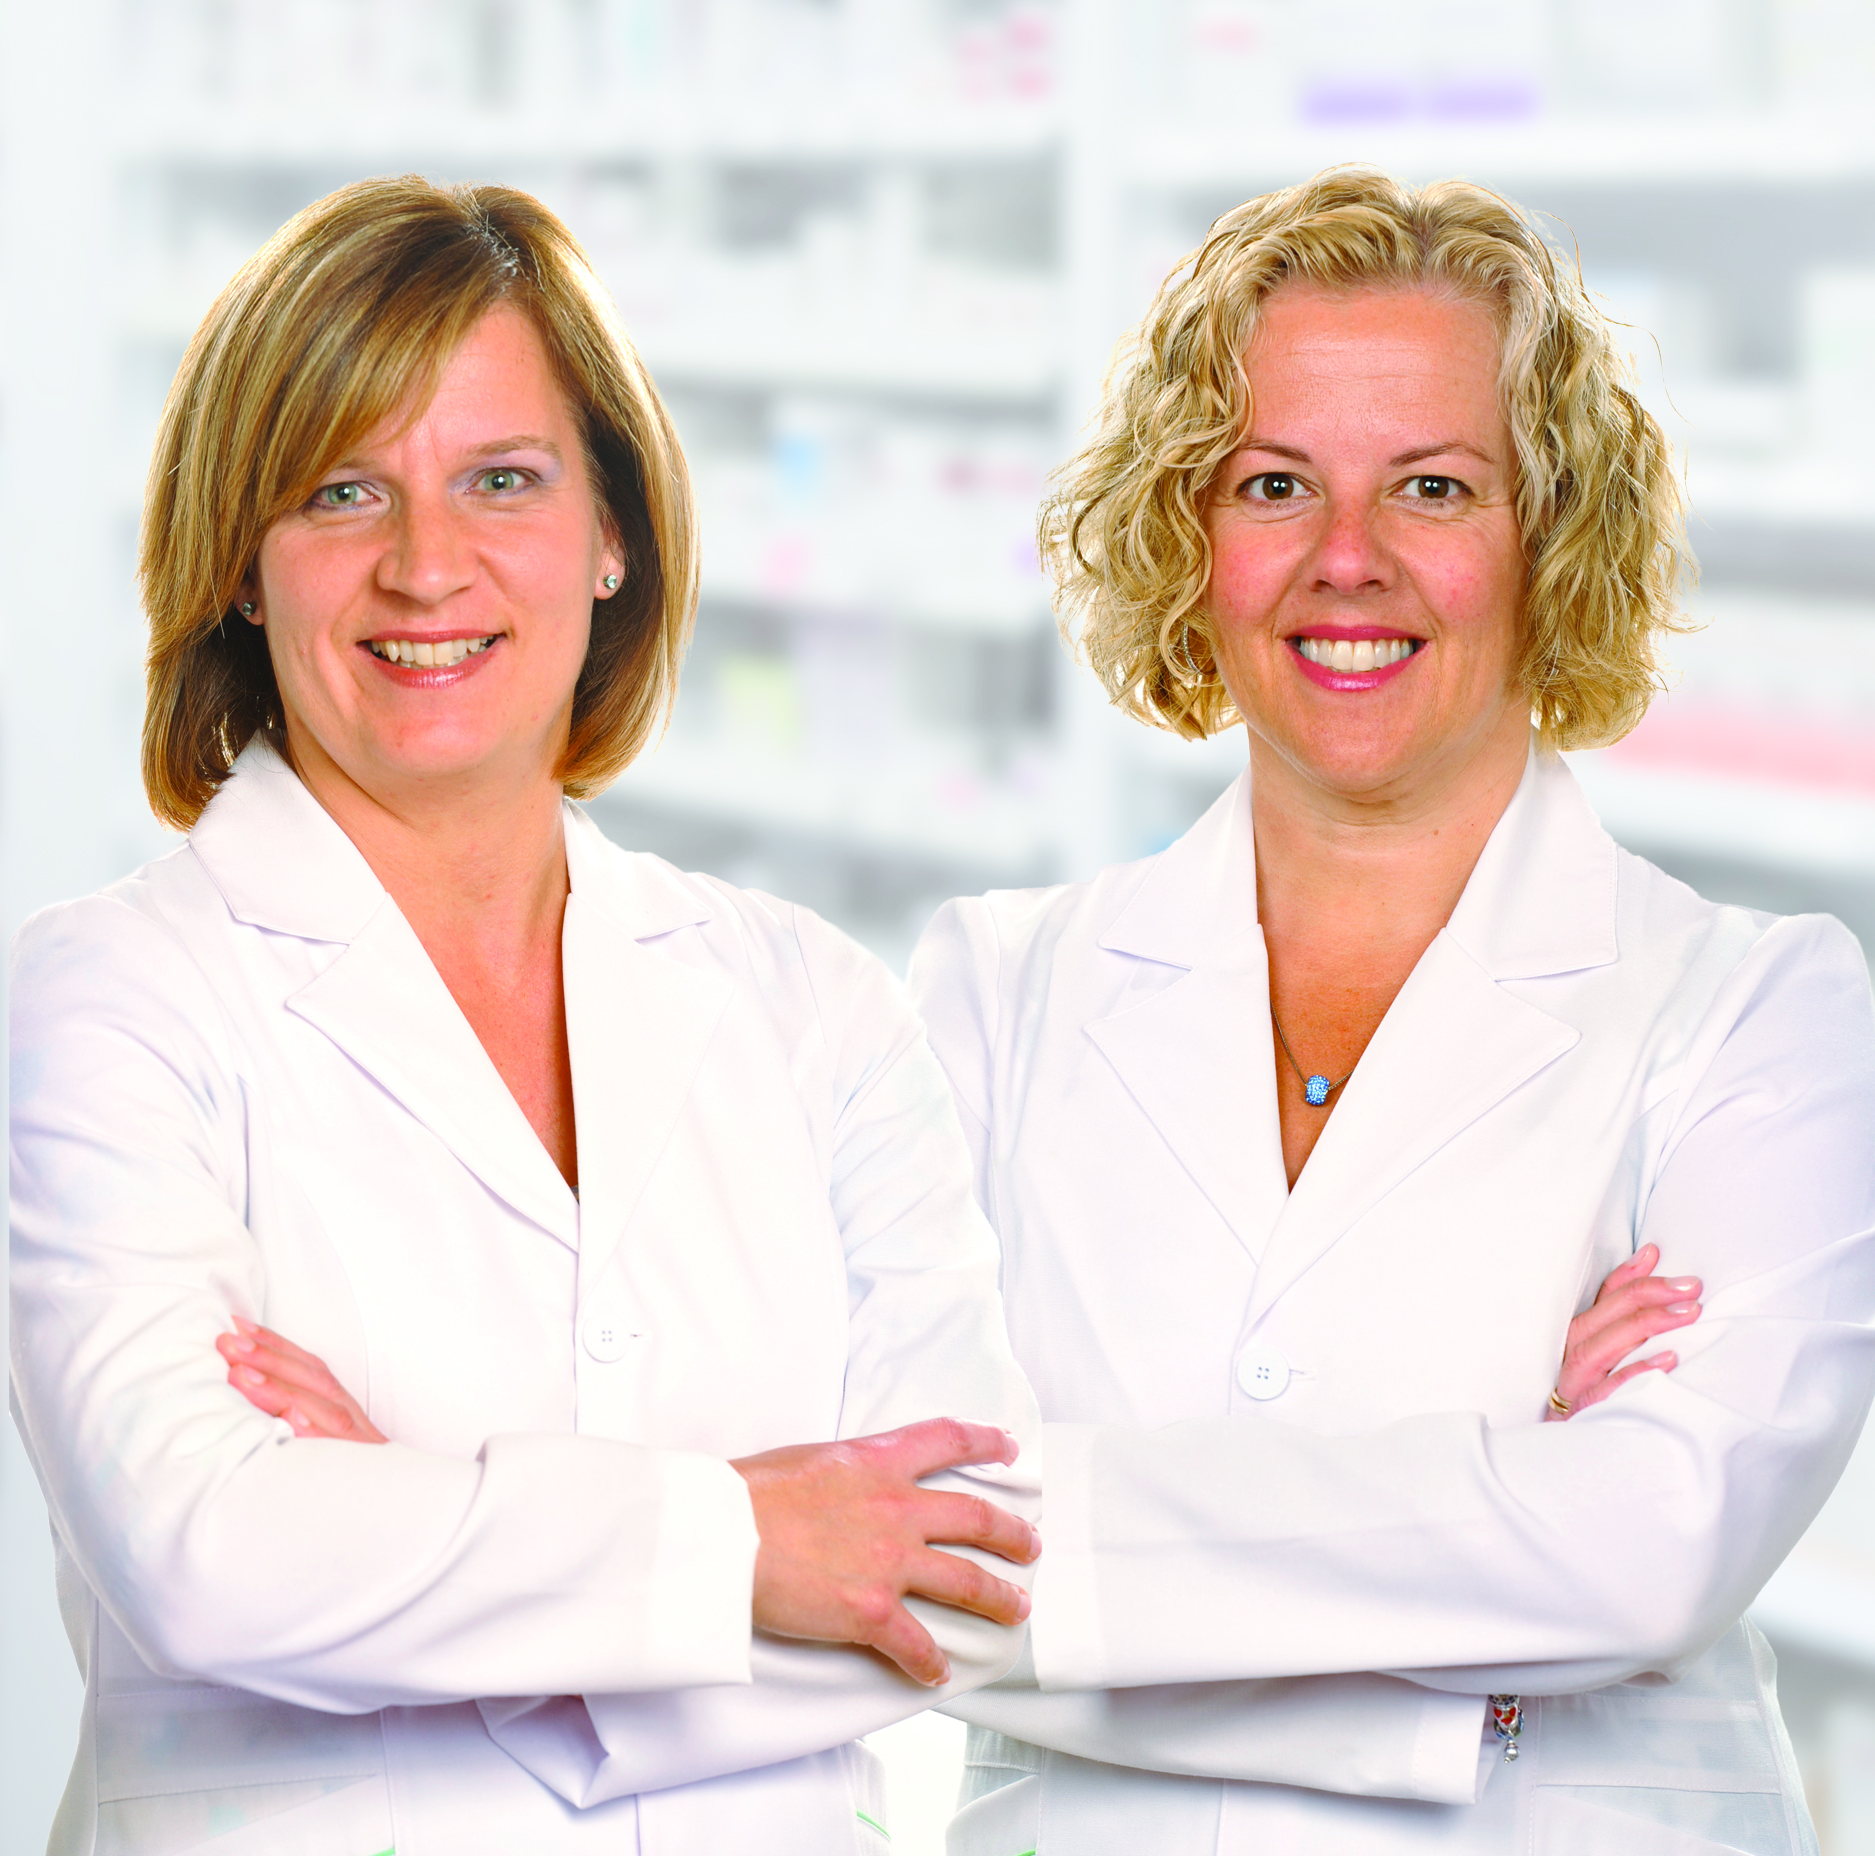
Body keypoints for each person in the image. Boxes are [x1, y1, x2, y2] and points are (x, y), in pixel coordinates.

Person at [7, 176, 1042, 1856]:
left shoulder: (811, 1006)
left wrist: (414, 1532)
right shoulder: (120, 993)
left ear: (612, 535)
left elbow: (972, 1574)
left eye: (503, 478)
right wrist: (749, 1545)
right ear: (244, 569)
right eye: (341, 490)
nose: (428, 565)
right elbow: (208, 1554)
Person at [902, 168, 1875, 1854]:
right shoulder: (990, 993)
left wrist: (1066, 1538)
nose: (1345, 560)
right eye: (1273, 483)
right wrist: (1498, 1524)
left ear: (1547, 536)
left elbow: (1649, 1544)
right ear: (1186, 535)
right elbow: (857, 1559)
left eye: (1433, 485)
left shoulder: (1756, 1012)